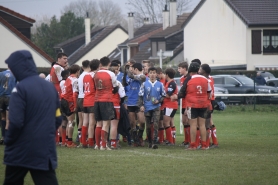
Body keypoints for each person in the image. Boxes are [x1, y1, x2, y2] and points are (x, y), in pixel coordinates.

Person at [3, 50, 62, 185]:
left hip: (21, 148)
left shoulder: (20, 89)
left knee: (12, 180)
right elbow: (58, 118)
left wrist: (9, 139)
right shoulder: (50, 88)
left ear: (18, 67)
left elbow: (16, 122)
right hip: (44, 147)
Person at [184, 62, 211, 150]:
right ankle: (204, 145)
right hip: (204, 104)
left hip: (192, 104)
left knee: (193, 125)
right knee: (202, 125)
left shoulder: (189, 79)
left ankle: (193, 145)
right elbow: (209, 91)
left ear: (190, 71)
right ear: (198, 70)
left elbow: (182, 91)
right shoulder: (205, 79)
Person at [94, 57, 118, 150]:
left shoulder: (95, 74)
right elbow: (115, 87)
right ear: (109, 63)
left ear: (100, 63)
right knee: (106, 123)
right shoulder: (111, 73)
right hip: (106, 100)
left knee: (98, 123)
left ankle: (97, 144)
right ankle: (103, 145)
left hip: (97, 100)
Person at [139, 67, 165, 149]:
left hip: (156, 107)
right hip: (147, 107)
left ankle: (154, 142)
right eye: (151, 73)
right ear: (148, 74)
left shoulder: (160, 84)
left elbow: (163, 95)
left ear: (156, 74)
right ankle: (149, 141)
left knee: (156, 124)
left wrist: (159, 101)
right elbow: (140, 96)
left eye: (154, 73)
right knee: (148, 126)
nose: (152, 74)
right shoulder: (144, 84)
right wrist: (141, 105)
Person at [126, 63, 146, 147]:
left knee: (142, 121)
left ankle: (140, 136)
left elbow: (142, 77)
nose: (131, 70)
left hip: (139, 102)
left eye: (132, 69)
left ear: (136, 69)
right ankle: (135, 140)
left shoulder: (143, 77)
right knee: (132, 122)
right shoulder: (128, 77)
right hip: (130, 102)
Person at [60, 64, 80, 148]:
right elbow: (75, 94)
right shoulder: (75, 80)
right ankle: (69, 142)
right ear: (77, 71)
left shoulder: (68, 78)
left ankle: (65, 141)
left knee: (67, 121)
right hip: (69, 101)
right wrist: (75, 105)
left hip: (63, 100)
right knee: (71, 122)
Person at [199, 64, 219, 148]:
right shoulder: (210, 78)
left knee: (208, 123)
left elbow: (209, 93)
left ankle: (210, 143)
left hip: (208, 102)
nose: (199, 70)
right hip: (209, 101)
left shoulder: (207, 80)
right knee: (209, 122)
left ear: (204, 71)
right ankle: (212, 142)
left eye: (200, 69)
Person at [82, 59, 99, 148]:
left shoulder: (86, 75)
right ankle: (91, 142)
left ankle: (83, 141)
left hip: (85, 99)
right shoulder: (95, 75)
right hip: (92, 100)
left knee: (85, 122)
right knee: (92, 123)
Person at [162, 68, 178, 145]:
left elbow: (168, 95)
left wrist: (161, 94)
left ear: (167, 75)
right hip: (168, 105)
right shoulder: (168, 83)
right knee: (168, 123)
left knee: (166, 122)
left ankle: (171, 141)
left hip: (170, 105)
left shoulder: (172, 83)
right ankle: (170, 140)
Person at [0, 69, 16, 144]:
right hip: (10, 97)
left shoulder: (1, 74)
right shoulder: (15, 74)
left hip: (1, 96)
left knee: (3, 117)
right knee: (8, 118)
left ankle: (3, 137)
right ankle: (7, 137)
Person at [76, 60, 90, 145]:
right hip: (86, 98)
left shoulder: (80, 76)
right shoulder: (88, 75)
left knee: (81, 120)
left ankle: (80, 138)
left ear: (82, 67)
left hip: (80, 98)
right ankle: (87, 139)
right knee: (88, 120)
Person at [177, 62, 190, 147]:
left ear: (185, 68)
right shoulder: (182, 78)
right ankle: (186, 140)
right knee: (184, 121)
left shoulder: (190, 77)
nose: (178, 70)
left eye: (180, 68)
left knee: (189, 122)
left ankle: (191, 141)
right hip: (183, 102)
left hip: (189, 103)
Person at [59, 70, 70, 147]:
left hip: (61, 100)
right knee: (69, 120)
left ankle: (63, 141)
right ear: (66, 75)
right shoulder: (65, 82)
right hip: (66, 101)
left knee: (64, 120)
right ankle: (66, 140)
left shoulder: (61, 82)